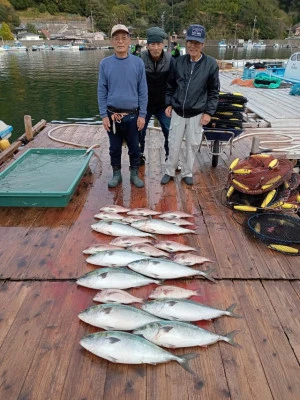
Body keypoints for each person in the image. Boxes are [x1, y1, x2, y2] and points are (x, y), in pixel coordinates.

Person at [161, 24, 219, 186]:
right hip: (178, 110)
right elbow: (170, 86)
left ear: (203, 44)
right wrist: (169, 103)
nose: (193, 46)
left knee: (192, 144)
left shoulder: (211, 64)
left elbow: (214, 91)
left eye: (197, 43)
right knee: (173, 142)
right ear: (186, 43)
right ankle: (169, 171)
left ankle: (187, 172)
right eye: (191, 42)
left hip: (197, 112)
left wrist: (209, 112)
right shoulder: (178, 62)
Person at [98, 24, 148, 188]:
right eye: (116, 38)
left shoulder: (138, 63)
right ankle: (116, 174)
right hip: (113, 116)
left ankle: (134, 173)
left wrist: (142, 115)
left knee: (135, 147)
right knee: (114, 148)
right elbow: (101, 91)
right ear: (112, 41)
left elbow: (143, 91)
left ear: (129, 41)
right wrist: (104, 115)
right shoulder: (105, 64)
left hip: (133, 116)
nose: (120, 41)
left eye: (124, 38)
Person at [139, 27, 173, 165]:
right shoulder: (140, 59)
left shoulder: (170, 60)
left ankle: (170, 156)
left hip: (163, 104)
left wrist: (171, 103)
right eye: (152, 44)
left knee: (169, 131)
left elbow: (174, 83)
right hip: (144, 104)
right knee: (139, 130)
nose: (156, 48)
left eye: (158, 44)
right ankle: (139, 154)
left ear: (163, 45)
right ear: (147, 46)